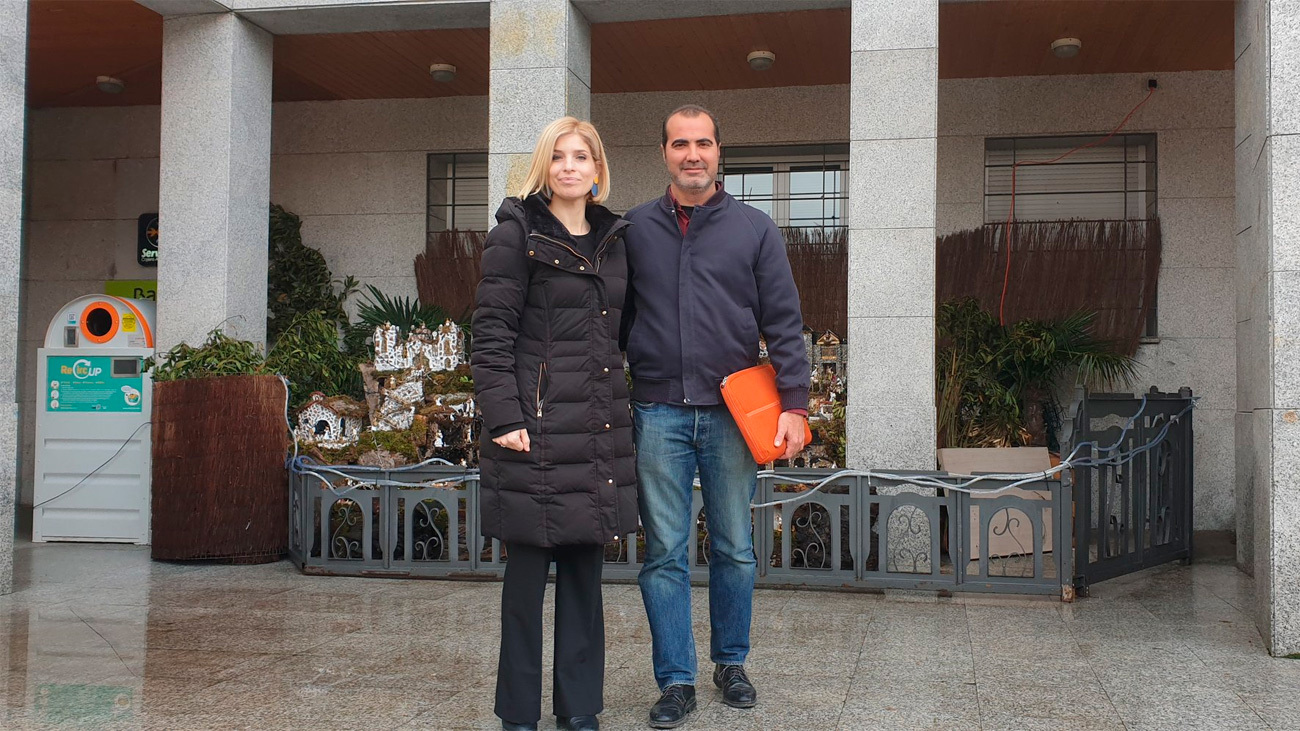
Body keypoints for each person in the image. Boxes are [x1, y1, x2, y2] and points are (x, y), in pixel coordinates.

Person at [620, 104, 811, 728]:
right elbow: (614, 320)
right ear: (664, 153)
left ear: (719, 151)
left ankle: (731, 664)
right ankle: (676, 680)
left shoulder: (755, 229)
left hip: (733, 415)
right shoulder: (633, 229)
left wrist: (795, 405)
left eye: (703, 143)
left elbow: (784, 322)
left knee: (735, 548)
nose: (692, 154)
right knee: (664, 554)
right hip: (658, 413)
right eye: (681, 144)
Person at [471, 116, 639, 731]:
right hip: (533, 433)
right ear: (545, 165)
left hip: (595, 432)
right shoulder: (515, 234)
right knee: (523, 588)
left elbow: (623, 333)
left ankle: (579, 710)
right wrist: (503, 417)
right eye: (559, 156)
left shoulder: (615, 240)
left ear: (597, 169)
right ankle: (518, 713)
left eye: (582, 156)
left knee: (584, 586)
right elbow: (490, 335)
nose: (570, 166)